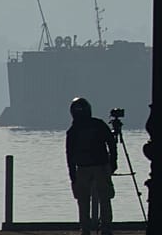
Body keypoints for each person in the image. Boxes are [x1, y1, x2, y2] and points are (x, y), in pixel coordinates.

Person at [65, 97, 117, 235]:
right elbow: (111, 143)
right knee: (105, 199)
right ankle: (106, 228)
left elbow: (69, 154)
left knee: (83, 201)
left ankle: (85, 229)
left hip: (82, 169)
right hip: (101, 166)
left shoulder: (73, 130)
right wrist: (113, 162)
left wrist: (72, 174)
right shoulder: (99, 124)